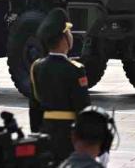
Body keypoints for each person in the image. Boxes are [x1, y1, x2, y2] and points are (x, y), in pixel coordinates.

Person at [27, 8, 91, 164]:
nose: (71, 35)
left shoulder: (37, 67)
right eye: (69, 32)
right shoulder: (75, 69)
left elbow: (34, 106)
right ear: (64, 39)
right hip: (69, 135)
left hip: (45, 132)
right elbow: (82, 108)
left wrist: (37, 134)